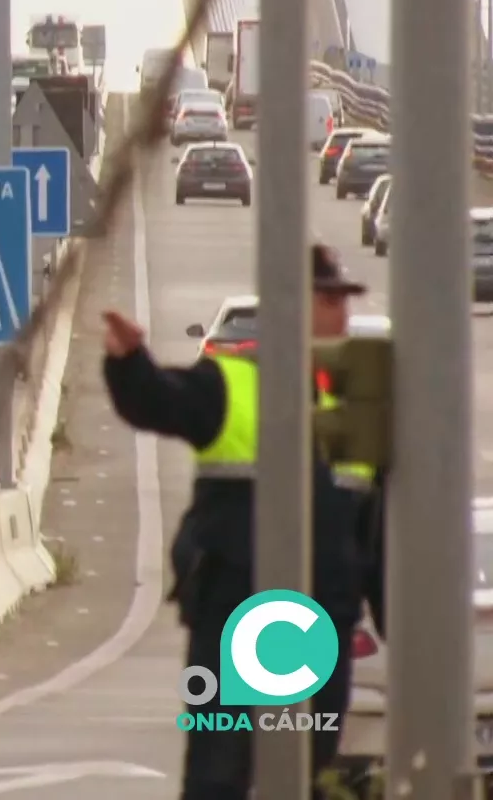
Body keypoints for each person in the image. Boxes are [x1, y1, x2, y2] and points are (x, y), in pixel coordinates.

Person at [102, 244, 376, 798]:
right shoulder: (232, 382)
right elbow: (162, 400)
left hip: (317, 627)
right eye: (329, 300)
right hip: (231, 620)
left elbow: (374, 533)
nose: (342, 315)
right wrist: (129, 364)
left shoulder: (355, 405)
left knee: (309, 771)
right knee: (217, 771)